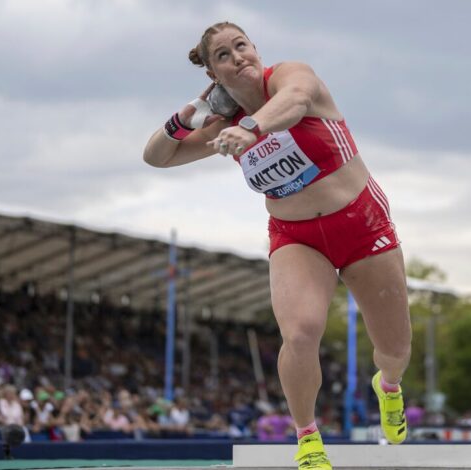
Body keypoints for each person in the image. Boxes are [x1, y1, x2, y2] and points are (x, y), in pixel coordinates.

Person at [143, 21, 411, 469]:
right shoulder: (221, 124)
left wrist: (252, 127)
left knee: (395, 350)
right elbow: (157, 157)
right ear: (214, 74)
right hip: (297, 238)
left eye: (241, 46)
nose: (238, 57)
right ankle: (308, 439)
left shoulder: (289, 77)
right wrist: (189, 113)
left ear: (256, 49)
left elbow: (296, 103)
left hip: (363, 224)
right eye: (223, 56)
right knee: (300, 332)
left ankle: (389, 386)